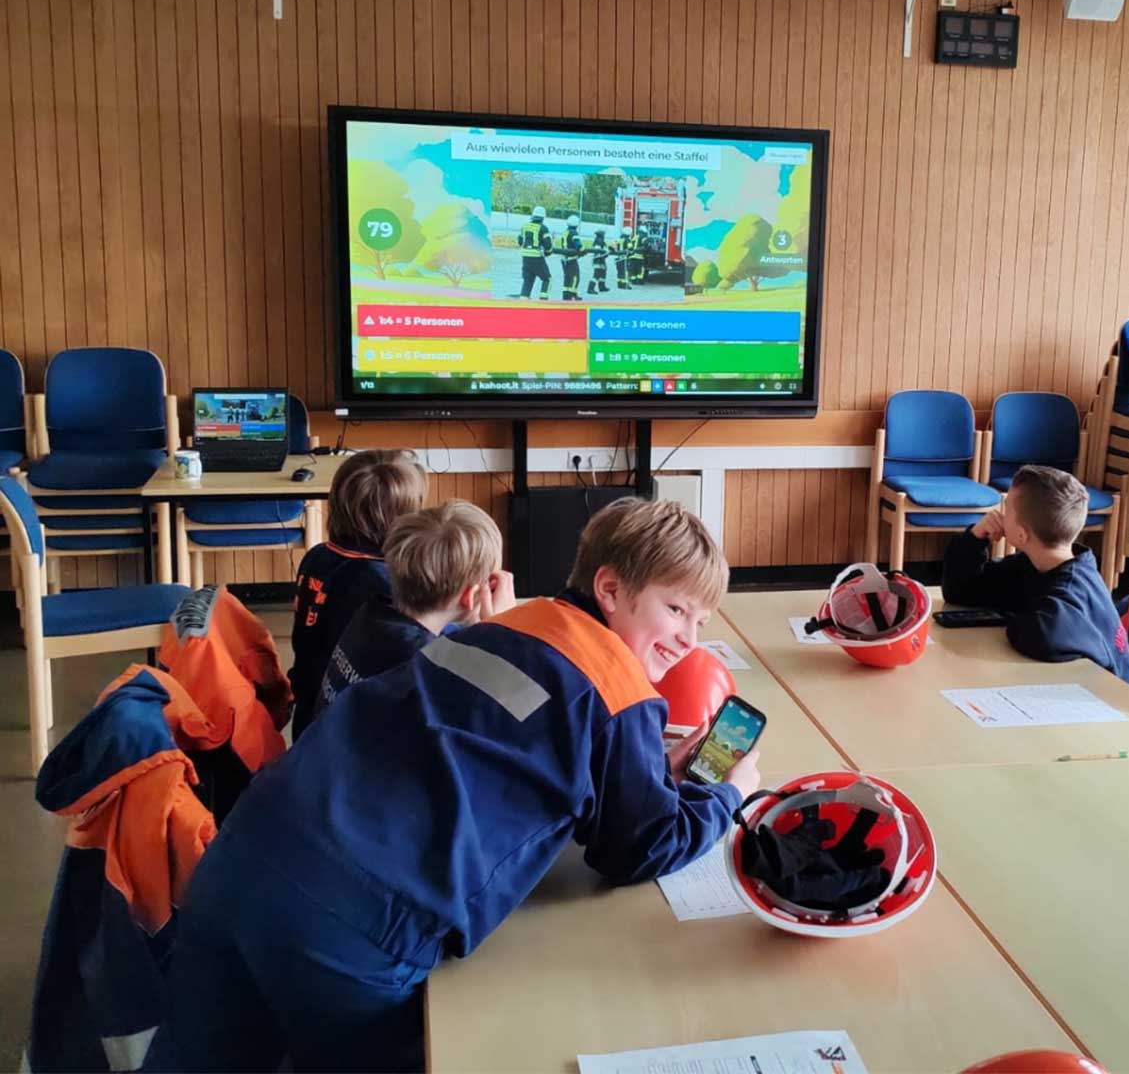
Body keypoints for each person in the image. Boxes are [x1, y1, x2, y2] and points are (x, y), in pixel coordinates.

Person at [145, 498, 759, 1073]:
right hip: (346, 923)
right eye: (676, 610)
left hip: (244, 849)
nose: (689, 638)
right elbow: (642, 846)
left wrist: (645, 772)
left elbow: (504, 735)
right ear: (610, 589)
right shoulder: (620, 688)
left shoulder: (507, 625)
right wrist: (725, 795)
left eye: (701, 621)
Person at [316, 500, 516, 720]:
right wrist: (502, 632)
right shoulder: (428, 664)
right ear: (471, 597)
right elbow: (510, 707)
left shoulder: (371, 614)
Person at [942, 464, 1129, 685]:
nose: (1000, 516)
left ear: (1021, 535)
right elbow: (962, 590)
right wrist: (975, 538)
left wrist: (1011, 618)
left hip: (1115, 699)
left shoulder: (1072, 589)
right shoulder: (1037, 565)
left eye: (1007, 509)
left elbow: (1044, 636)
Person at [289, 449, 427, 739]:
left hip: (307, 714)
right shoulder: (384, 584)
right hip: (345, 731)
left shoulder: (316, 556)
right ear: (405, 522)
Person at [515, 205, 551, 300]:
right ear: (543, 217)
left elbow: (520, 241)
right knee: (547, 279)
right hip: (536, 257)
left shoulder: (525, 226)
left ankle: (524, 301)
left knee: (528, 279)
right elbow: (548, 245)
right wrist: (548, 252)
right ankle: (543, 300)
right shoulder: (543, 228)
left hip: (525, 257)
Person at [558, 213, 584, 301]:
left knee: (567, 277)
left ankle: (565, 295)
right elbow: (578, 245)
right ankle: (573, 295)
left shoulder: (565, 232)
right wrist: (583, 251)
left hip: (564, 259)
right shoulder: (574, 233)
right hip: (571, 259)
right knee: (575, 277)